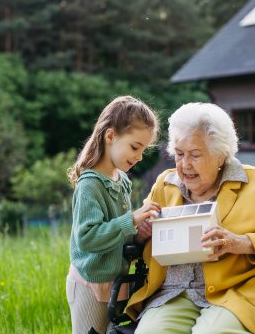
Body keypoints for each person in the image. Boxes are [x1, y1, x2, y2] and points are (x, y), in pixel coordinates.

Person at [125, 102, 255, 334]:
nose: (185, 164)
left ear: (220, 156)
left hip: (237, 293)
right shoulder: (165, 184)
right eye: (179, 154)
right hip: (171, 294)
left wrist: (242, 243)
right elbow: (137, 234)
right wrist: (141, 233)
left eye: (195, 155)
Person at [66, 96, 162, 334]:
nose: (139, 157)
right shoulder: (90, 185)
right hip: (90, 286)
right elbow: (87, 239)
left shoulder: (123, 181)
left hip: (118, 283)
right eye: (134, 147)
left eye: (143, 150)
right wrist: (131, 219)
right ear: (110, 136)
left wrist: (139, 233)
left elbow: (118, 235)